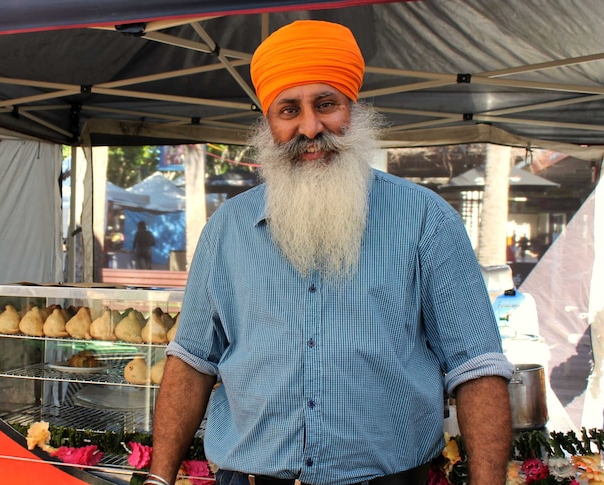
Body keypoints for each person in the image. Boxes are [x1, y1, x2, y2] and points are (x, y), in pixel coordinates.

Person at [147, 20, 513, 485]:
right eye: (288, 110)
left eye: (326, 105)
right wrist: (159, 479)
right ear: (269, 124)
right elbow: (192, 362)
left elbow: (476, 366)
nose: (310, 127)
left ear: (353, 110)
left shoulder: (425, 218)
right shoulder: (227, 229)